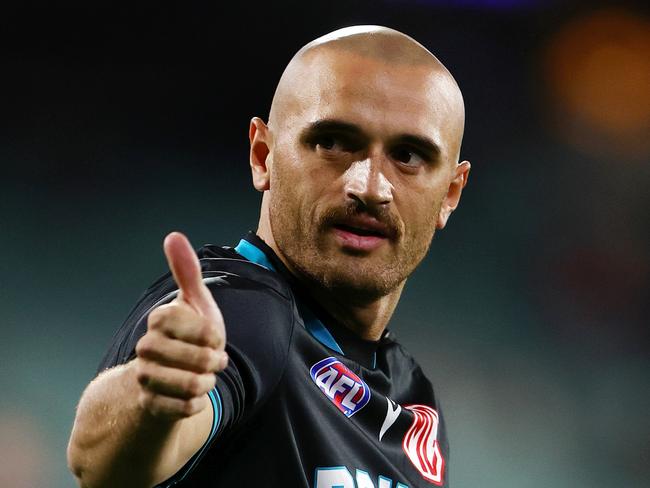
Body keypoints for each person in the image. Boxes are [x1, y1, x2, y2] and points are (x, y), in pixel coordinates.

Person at [67, 25, 470, 488]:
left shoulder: (412, 396)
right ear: (263, 155)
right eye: (333, 142)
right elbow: (104, 465)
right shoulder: (244, 313)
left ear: (450, 193)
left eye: (409, 155)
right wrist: (153, 399)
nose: (370, 187)